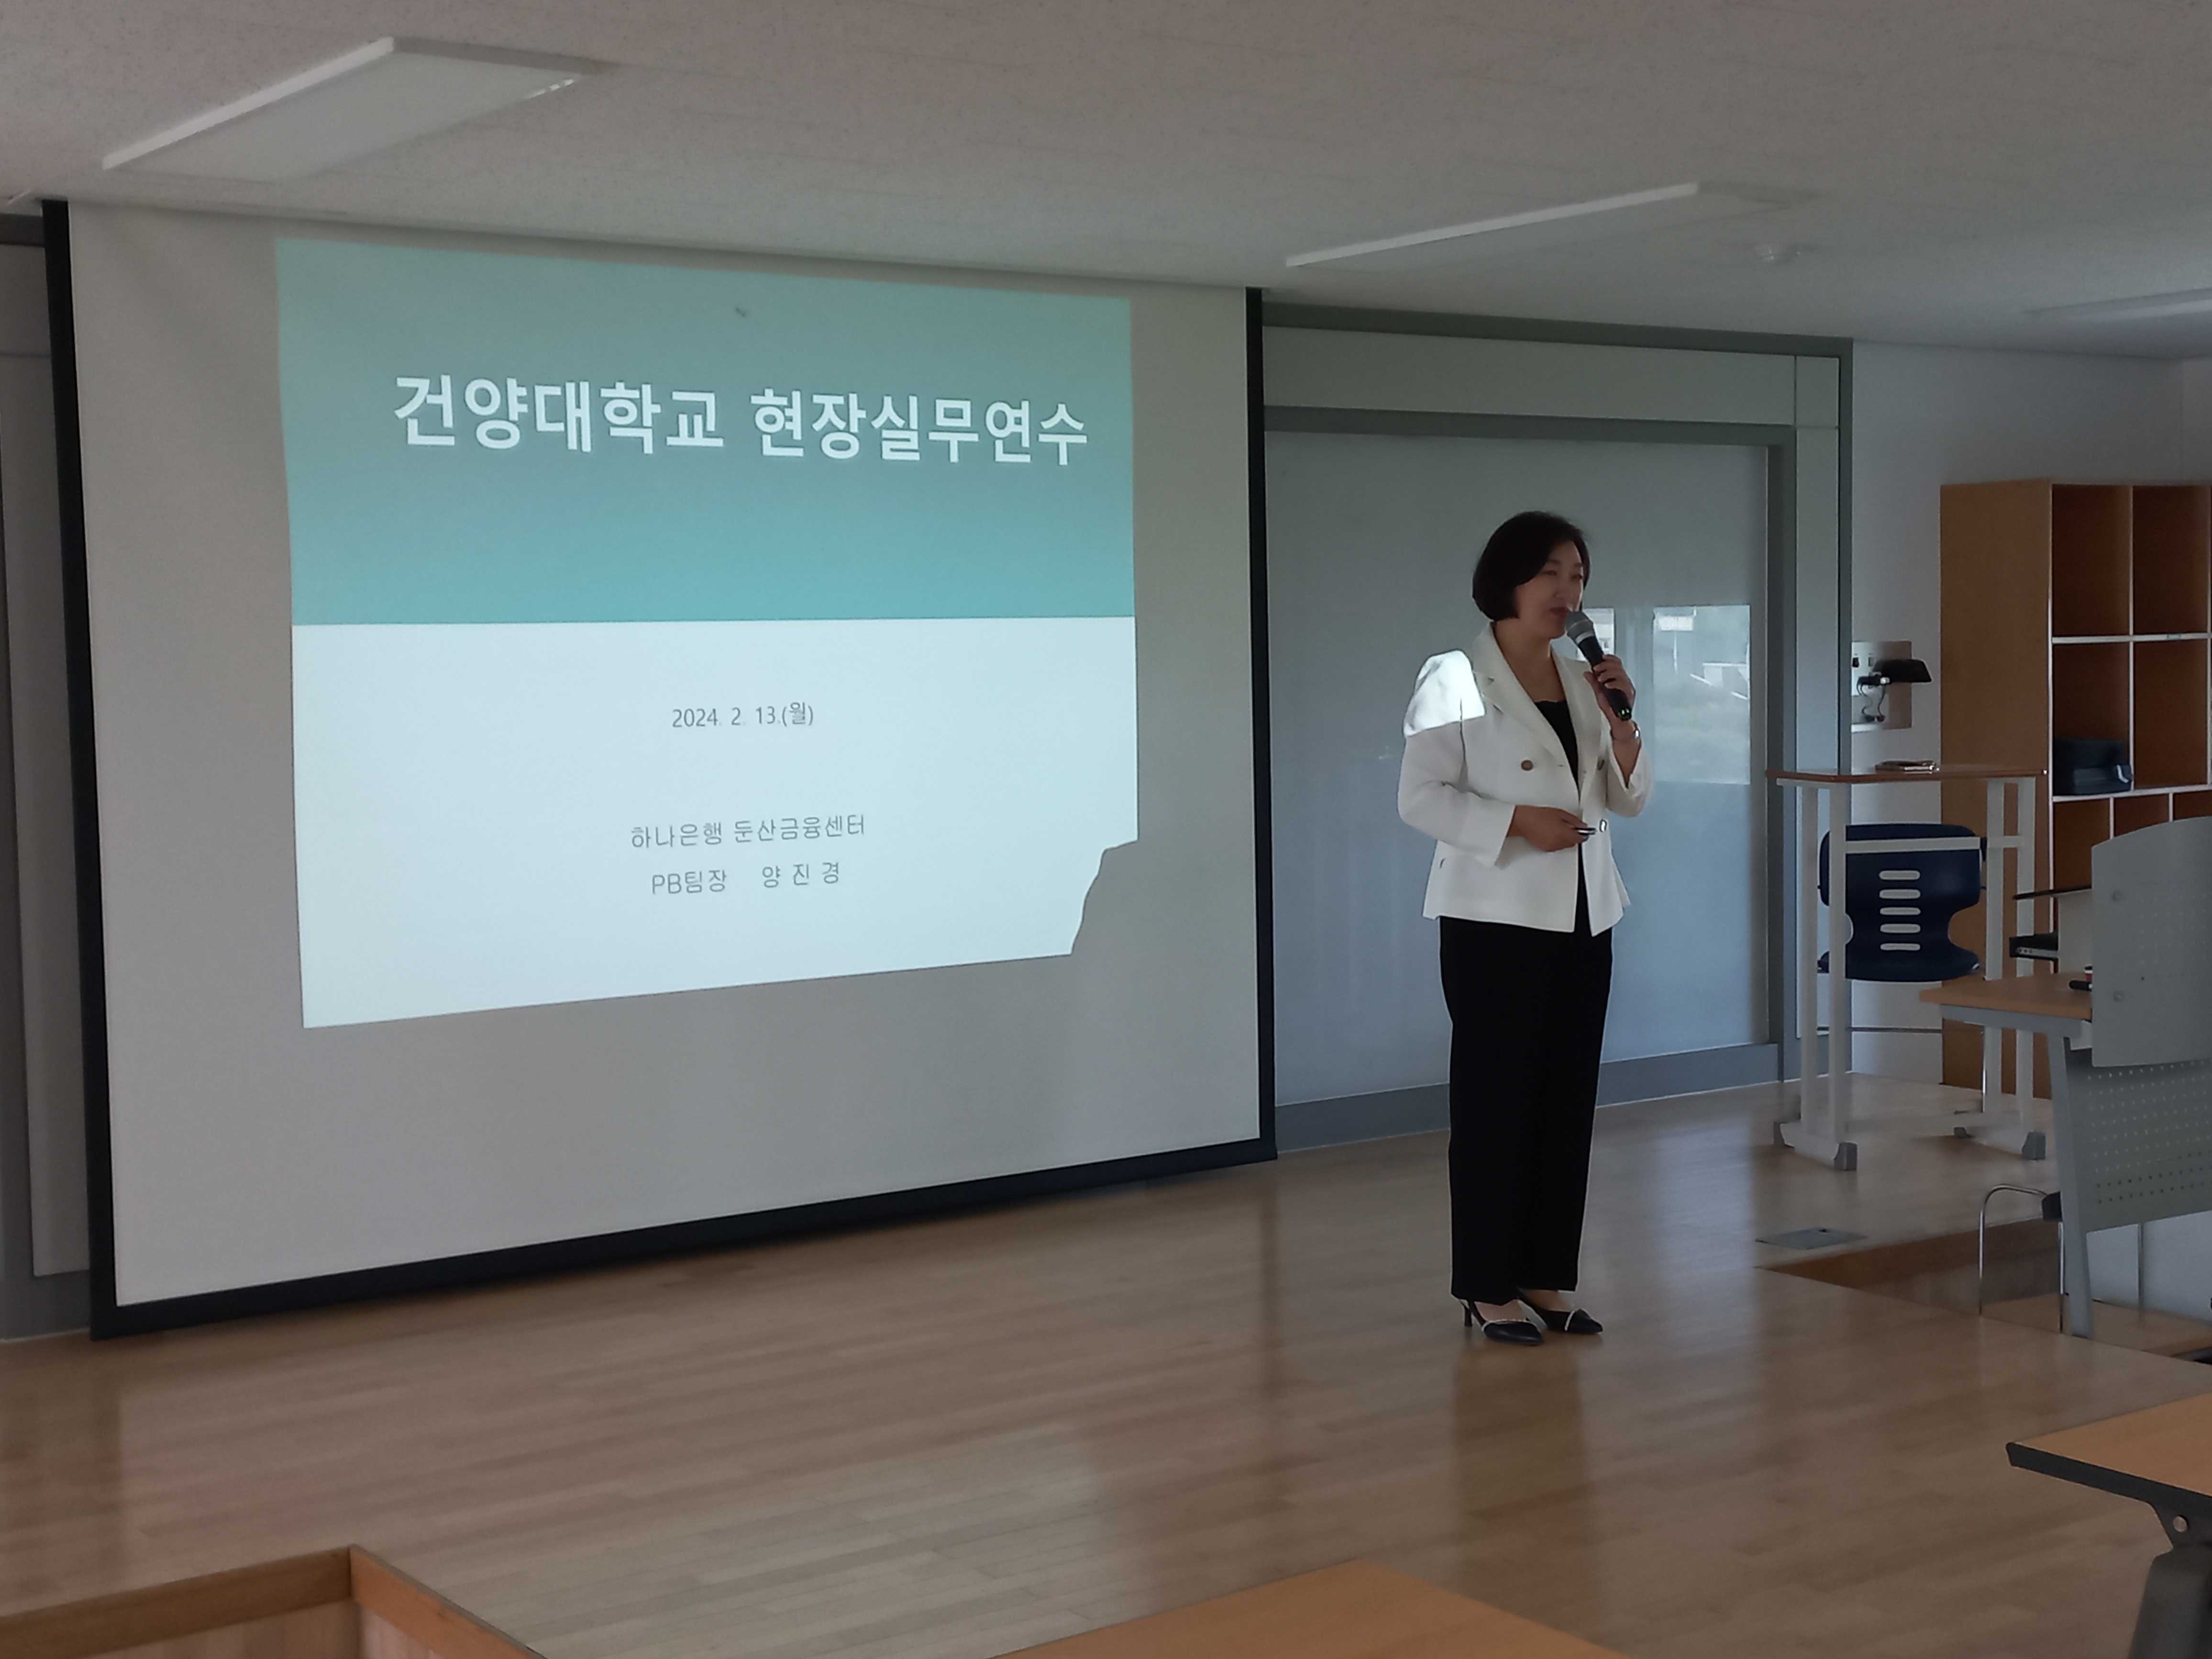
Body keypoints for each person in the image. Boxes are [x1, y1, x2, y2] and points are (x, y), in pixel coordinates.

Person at [1397, 511, 1653, 1345]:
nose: (1567, 591)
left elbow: (1625, 798)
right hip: (1494, 917)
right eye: (1551, 572)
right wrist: (1515, 822)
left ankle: (1544, 1274)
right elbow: (1419, 798)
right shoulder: (1454, 675)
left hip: (1585, 910)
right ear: (1507, 579)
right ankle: (1485, 1284)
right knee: (1495, 1102)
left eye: (1578, 576)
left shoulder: (1585, 678)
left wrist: (1625, 725)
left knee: (1565, 1099)